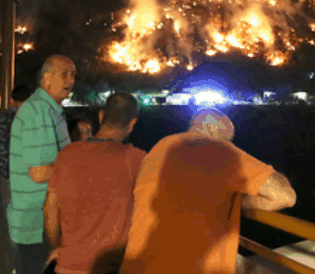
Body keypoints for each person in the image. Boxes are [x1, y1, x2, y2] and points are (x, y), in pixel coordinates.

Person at [120, 108, 297, 274]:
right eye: (227, 139)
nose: (228, 144)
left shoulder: (159, 149)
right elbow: (285, 196)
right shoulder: (219, 149)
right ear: (212, 128)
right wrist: (240, 201)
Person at [44, 93, 146, 274]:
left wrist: (56, 248)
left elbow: (51, 209)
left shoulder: (68, 154)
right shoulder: (137, 160)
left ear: (101, 115)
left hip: (68, 265)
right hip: (110, 267)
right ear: (132, 124)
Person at [8, 55, 75, 274]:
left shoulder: (48, 109)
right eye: (64, 73)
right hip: (38, 223)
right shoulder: (38, 112)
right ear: (46, 78)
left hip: (43, 220)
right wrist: (80, 167)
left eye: (73, 74)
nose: (71, 80)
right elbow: (39, 173)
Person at [0, 84, 33, 271]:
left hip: (9, 179)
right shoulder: (36, 119)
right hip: (33, 180)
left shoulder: (0, 121)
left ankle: (17, 266)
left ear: (12, 99)